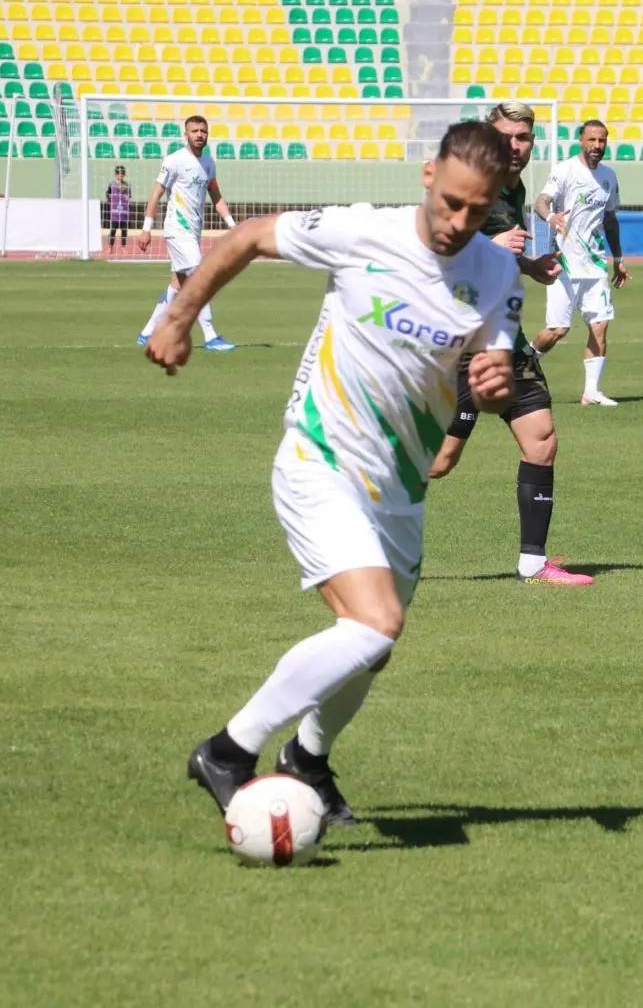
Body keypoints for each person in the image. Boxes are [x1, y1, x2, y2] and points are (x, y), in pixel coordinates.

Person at [144, 121, 522, 827]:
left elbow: (493, 363)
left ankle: (307, 761)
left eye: (477, 209)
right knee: (376, 622)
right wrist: (179, 315)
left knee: (371, 650)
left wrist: (496, 378)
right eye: (449, 201)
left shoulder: (495, 270)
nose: (458, 222)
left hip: (401, 488)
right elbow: (248, 237)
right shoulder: (359, 232)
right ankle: (228, 750)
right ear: (426, 174)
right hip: (320, 459)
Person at [427, 101, 594, 586]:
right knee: (439, 463)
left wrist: (529, 266)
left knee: (542, 440)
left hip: (506, 337)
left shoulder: (513, 186)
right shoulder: (466, 181)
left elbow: (499, 249)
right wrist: (490, 248)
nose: (516, 146)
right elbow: (435, 247)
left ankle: (533, 563)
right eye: (507, 137)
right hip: (459, 341)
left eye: (524, 138)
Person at [531, 119, 630, 407]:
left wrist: (619, 258)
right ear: (581, 141)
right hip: (565, 263)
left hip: (596, 264)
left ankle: (591, 392)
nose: (597, 146)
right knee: (557, 330)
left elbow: (610, 220)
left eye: (602, 141)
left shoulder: (609, 177)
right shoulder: (565, 170)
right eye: (592, 140)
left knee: (600, 325)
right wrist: (552, 218)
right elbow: (540, 202)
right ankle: (519, 365)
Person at [135, 115, 236, 352]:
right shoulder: (175, 161)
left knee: (178, 284)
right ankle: (210, 335)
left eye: (203, 131)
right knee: (199, 277)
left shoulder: (208, 163)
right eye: (194, 131)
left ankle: (147, 332)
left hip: (193, 231)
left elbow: (216, 196)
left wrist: (233, 226)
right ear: (186, 134)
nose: (199, 135)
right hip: (176, 229)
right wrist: (146, 229)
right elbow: (155, 194)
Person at [105, 166, 131, 254]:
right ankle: (110, 247)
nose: (121, 176)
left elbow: (129, 196)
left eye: (122, 174)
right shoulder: (111, 184)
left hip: (123, 212)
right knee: (113, 230)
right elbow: (107, 194)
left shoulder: (127, 185)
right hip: (115, 212)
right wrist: (110, 201)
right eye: (119, 174)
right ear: (116, 175)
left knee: (124, 230)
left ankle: (123, 247)